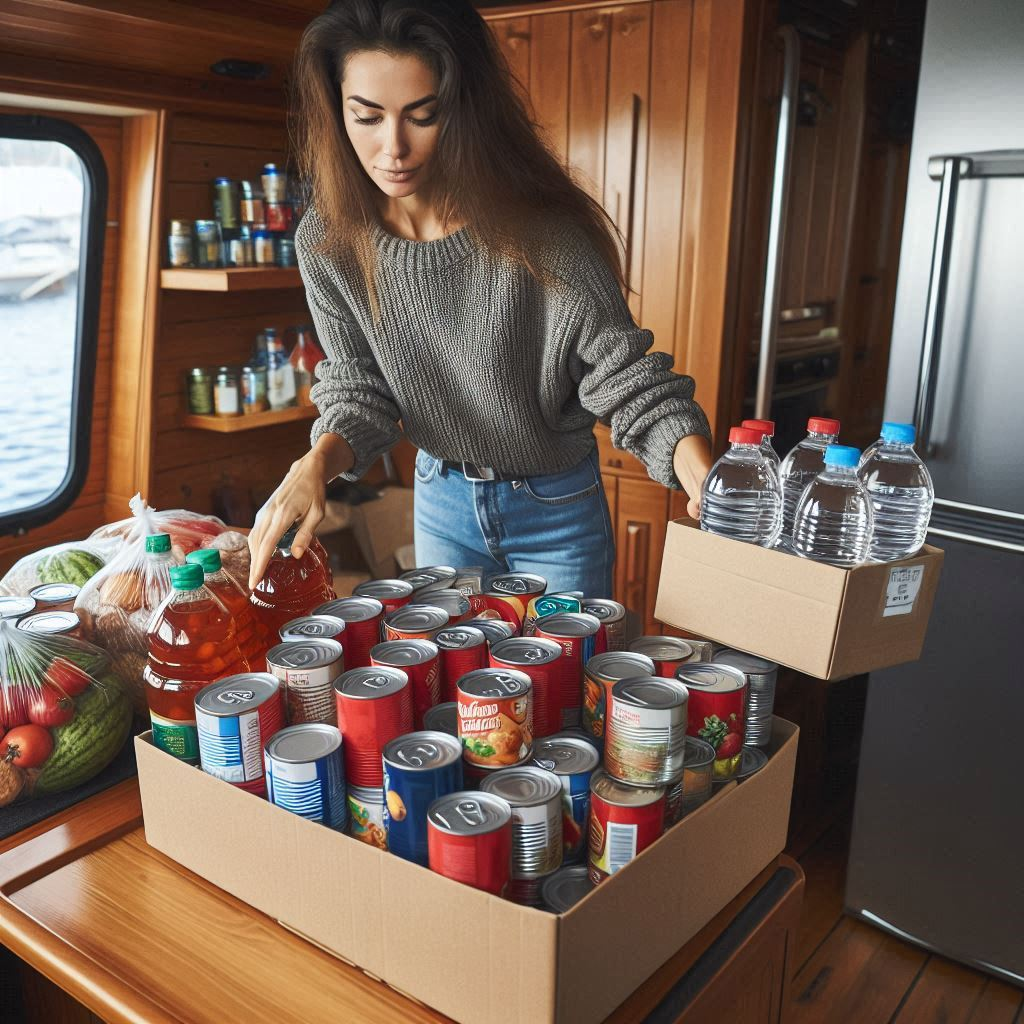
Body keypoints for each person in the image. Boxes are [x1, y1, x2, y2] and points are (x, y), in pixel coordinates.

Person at [247, 0, 713, 597]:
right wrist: (315, 463)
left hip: (555, 506)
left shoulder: (541, 236)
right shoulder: (329, 240)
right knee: (457, 688)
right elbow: (359, 390)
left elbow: (624, 377)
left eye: (423, 115)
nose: (393, 147)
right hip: (440, 499)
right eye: (366, 117)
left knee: (558, 689)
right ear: (338, 112)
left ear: (463, 110)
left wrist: (701, 471)